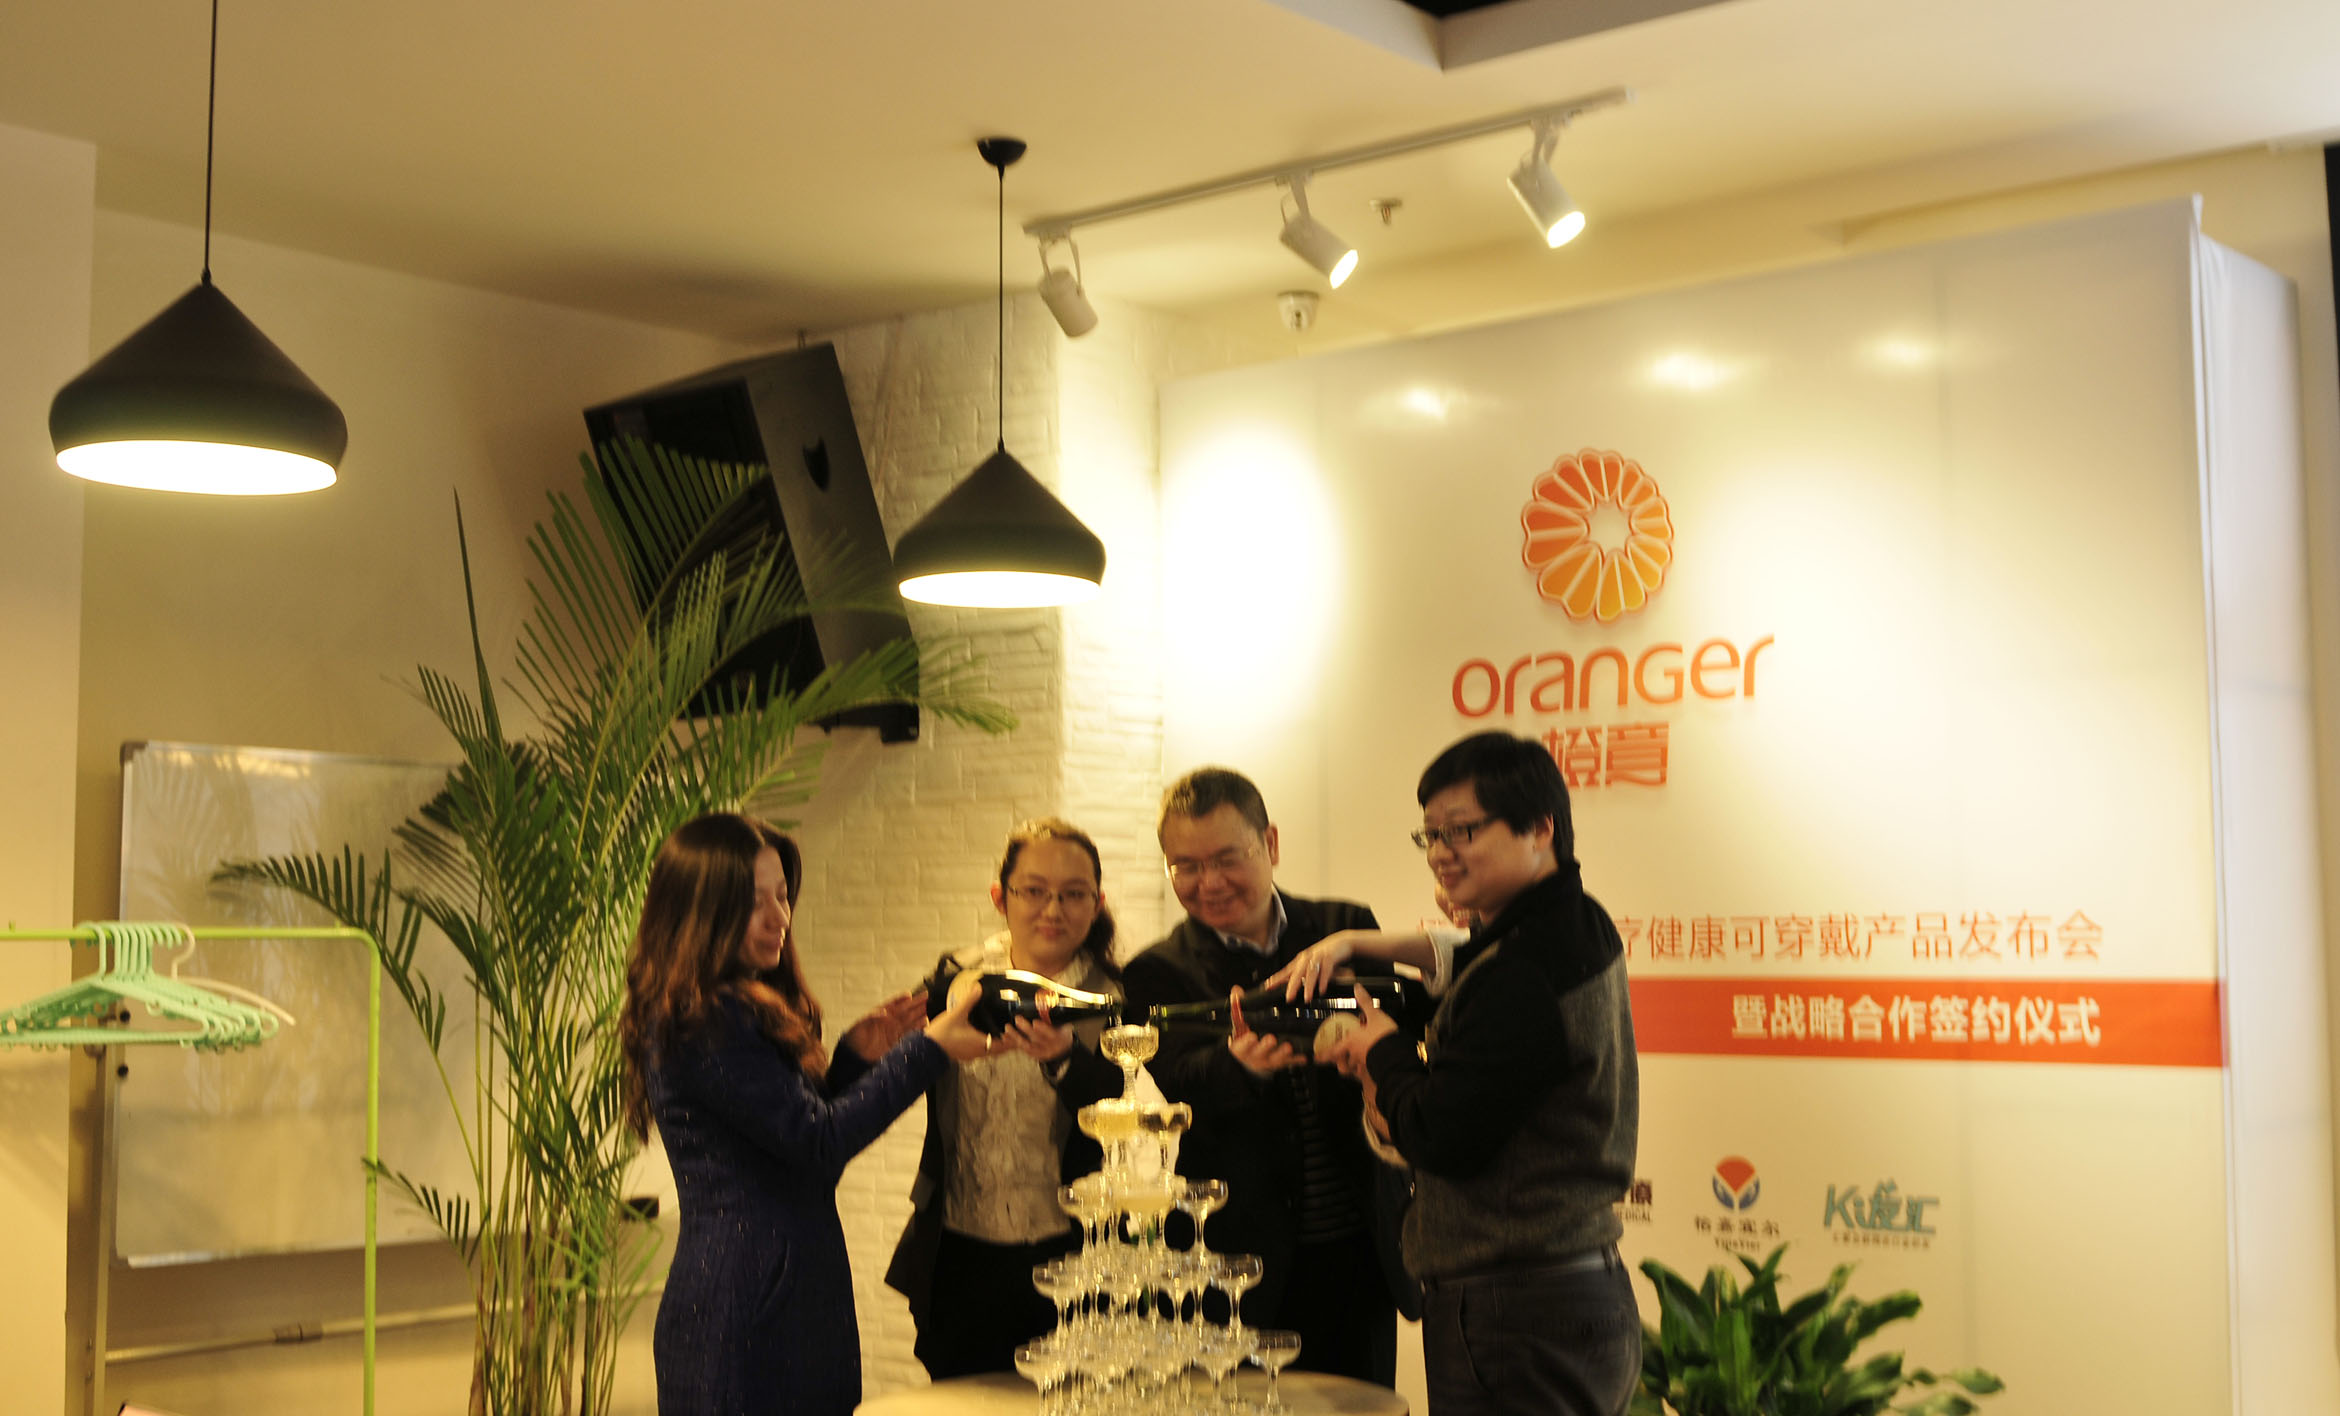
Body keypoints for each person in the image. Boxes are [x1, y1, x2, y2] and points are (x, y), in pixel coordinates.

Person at [619, 812, 996, 1416]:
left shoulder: (720, 1008)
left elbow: (796, 1159)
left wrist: (853, 1060)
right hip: (745, 1309)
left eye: (783, 895)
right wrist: (927, 1050)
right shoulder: (707, 1017)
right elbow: (819, 1142)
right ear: (700, 911)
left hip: (781, 1297)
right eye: (754, 902)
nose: (780, 917)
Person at [1314, 732, 1641, 1416]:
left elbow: (1440, 1135)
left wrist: (1380, 1050)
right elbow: (1467, 957)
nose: (1440, 852)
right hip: (1565, 1290)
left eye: (1461, 830)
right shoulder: (1574, 923)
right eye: (1430, 834)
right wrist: (1354, 943)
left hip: (1512, 1311)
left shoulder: (1523, 969)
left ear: (1539, 828)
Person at [1119, 767, 1412, 1387]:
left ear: (1270, 844)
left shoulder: (1342, 927)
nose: (1209, 883)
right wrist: (1236, 1067)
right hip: (1233, 1265)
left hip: (1356, 1248)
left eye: (1227, 859)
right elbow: (1174, 1082)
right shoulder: (1157, 971)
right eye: (1185, 866)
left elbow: (1396, 1030)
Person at [885, 817, 1128, 1377]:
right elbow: (899, 1071)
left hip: (1071, 1253)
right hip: (957, 1248)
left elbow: (1127, 1115)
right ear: (1001, 897)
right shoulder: (955, 981)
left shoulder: (1115, 996)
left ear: (1096, 904)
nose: (1053, 910)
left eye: (1073, 894)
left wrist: (1066, 1061)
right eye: (1034, 891)